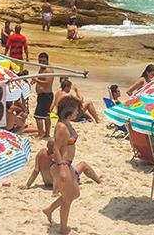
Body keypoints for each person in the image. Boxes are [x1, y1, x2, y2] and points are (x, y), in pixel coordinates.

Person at [42, 97, 82, 235]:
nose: (78, 112)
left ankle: (49, 209)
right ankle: (63, 229)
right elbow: (56, 149)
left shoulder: (67, 123)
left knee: (75, 193)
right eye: (76, 109)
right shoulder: (61, 126)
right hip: (61, 165)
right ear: (69, 110)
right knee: (69, 197)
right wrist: (62, 168)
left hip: (67, 164)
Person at [20, 138, 100, 190]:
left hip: (47, 184)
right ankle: (99, 181)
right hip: (60, 185)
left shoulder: (40, 153)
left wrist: (27, 185)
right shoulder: (57, 156)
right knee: (83, 165)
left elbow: (36, 171)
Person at [34, 52, 55, 139]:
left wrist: (36, 80)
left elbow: (47, 82)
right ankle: (46, 134)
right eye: (40, 61)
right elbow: (40, 78)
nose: (41, 62)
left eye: (43, 61)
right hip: (42, 95)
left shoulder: (48, 70)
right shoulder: (41, 69)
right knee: (46, 116)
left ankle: (41, 134)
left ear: (47, 60)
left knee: (38, 117)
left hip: (46, 96)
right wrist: (34, 81)